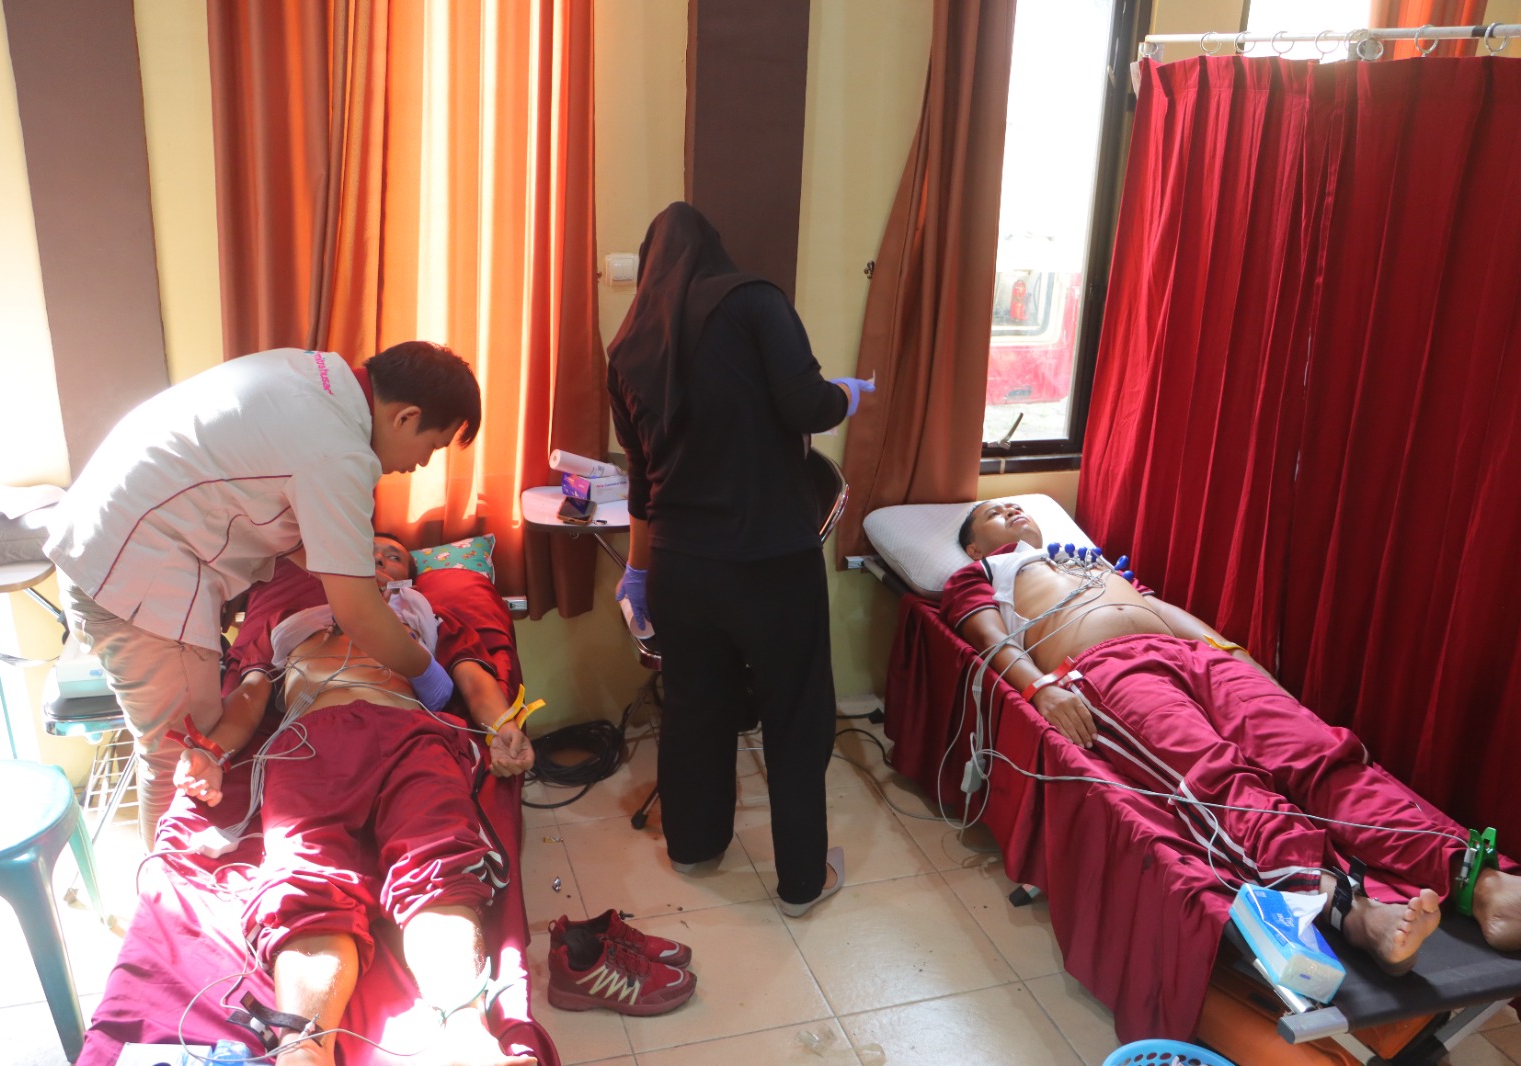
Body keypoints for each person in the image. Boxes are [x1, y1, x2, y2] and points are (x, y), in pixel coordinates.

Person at [943, 498, 1521, 975]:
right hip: (1105, 669)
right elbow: (990, 639)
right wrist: (1041, 688)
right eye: (992, 512)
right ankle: (1352, 912)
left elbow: (1163, 610)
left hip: (1200, 660)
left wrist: (1236, 656)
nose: (1010, 509)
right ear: (974, 547)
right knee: (1217, 779)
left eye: (1013, 505)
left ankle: (1478, 881)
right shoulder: (981, 574)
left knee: (1322, 754)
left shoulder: (1088, 559)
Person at [45, 342, 481, 842]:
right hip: (134, 576)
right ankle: (165, 886)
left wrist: (357, 579)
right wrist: (426, 672)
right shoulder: (338, 451)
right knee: (183, 759)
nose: (421, 464)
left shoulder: (309, 372)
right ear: (406, 417)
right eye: (433, 447)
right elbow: (357, 615)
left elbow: (295, 526)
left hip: (102, 544)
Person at [172, 533, 537, 1066]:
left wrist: (503, 727)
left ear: (406, 576)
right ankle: (303, 1050)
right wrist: (214, 753)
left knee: (439, 865)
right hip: (310, 741)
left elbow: (473, 679)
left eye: (394, 557)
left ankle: (465, 1035)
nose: (380, 560)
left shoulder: (423, 614)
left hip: (411, 734)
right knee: (308, 880)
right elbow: (249, 695)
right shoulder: (290, 616)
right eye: (370, 550)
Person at [605, 201, 873, 916]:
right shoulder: (756, 302)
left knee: (695, 707)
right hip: (771, 564)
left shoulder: (628, 347)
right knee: (794, 714)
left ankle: (694, 845)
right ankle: (801, 881)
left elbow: (641, 482)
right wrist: (846, 396)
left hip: (680, 568)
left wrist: (638, 571)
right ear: (713, 250)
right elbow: (807, 407)